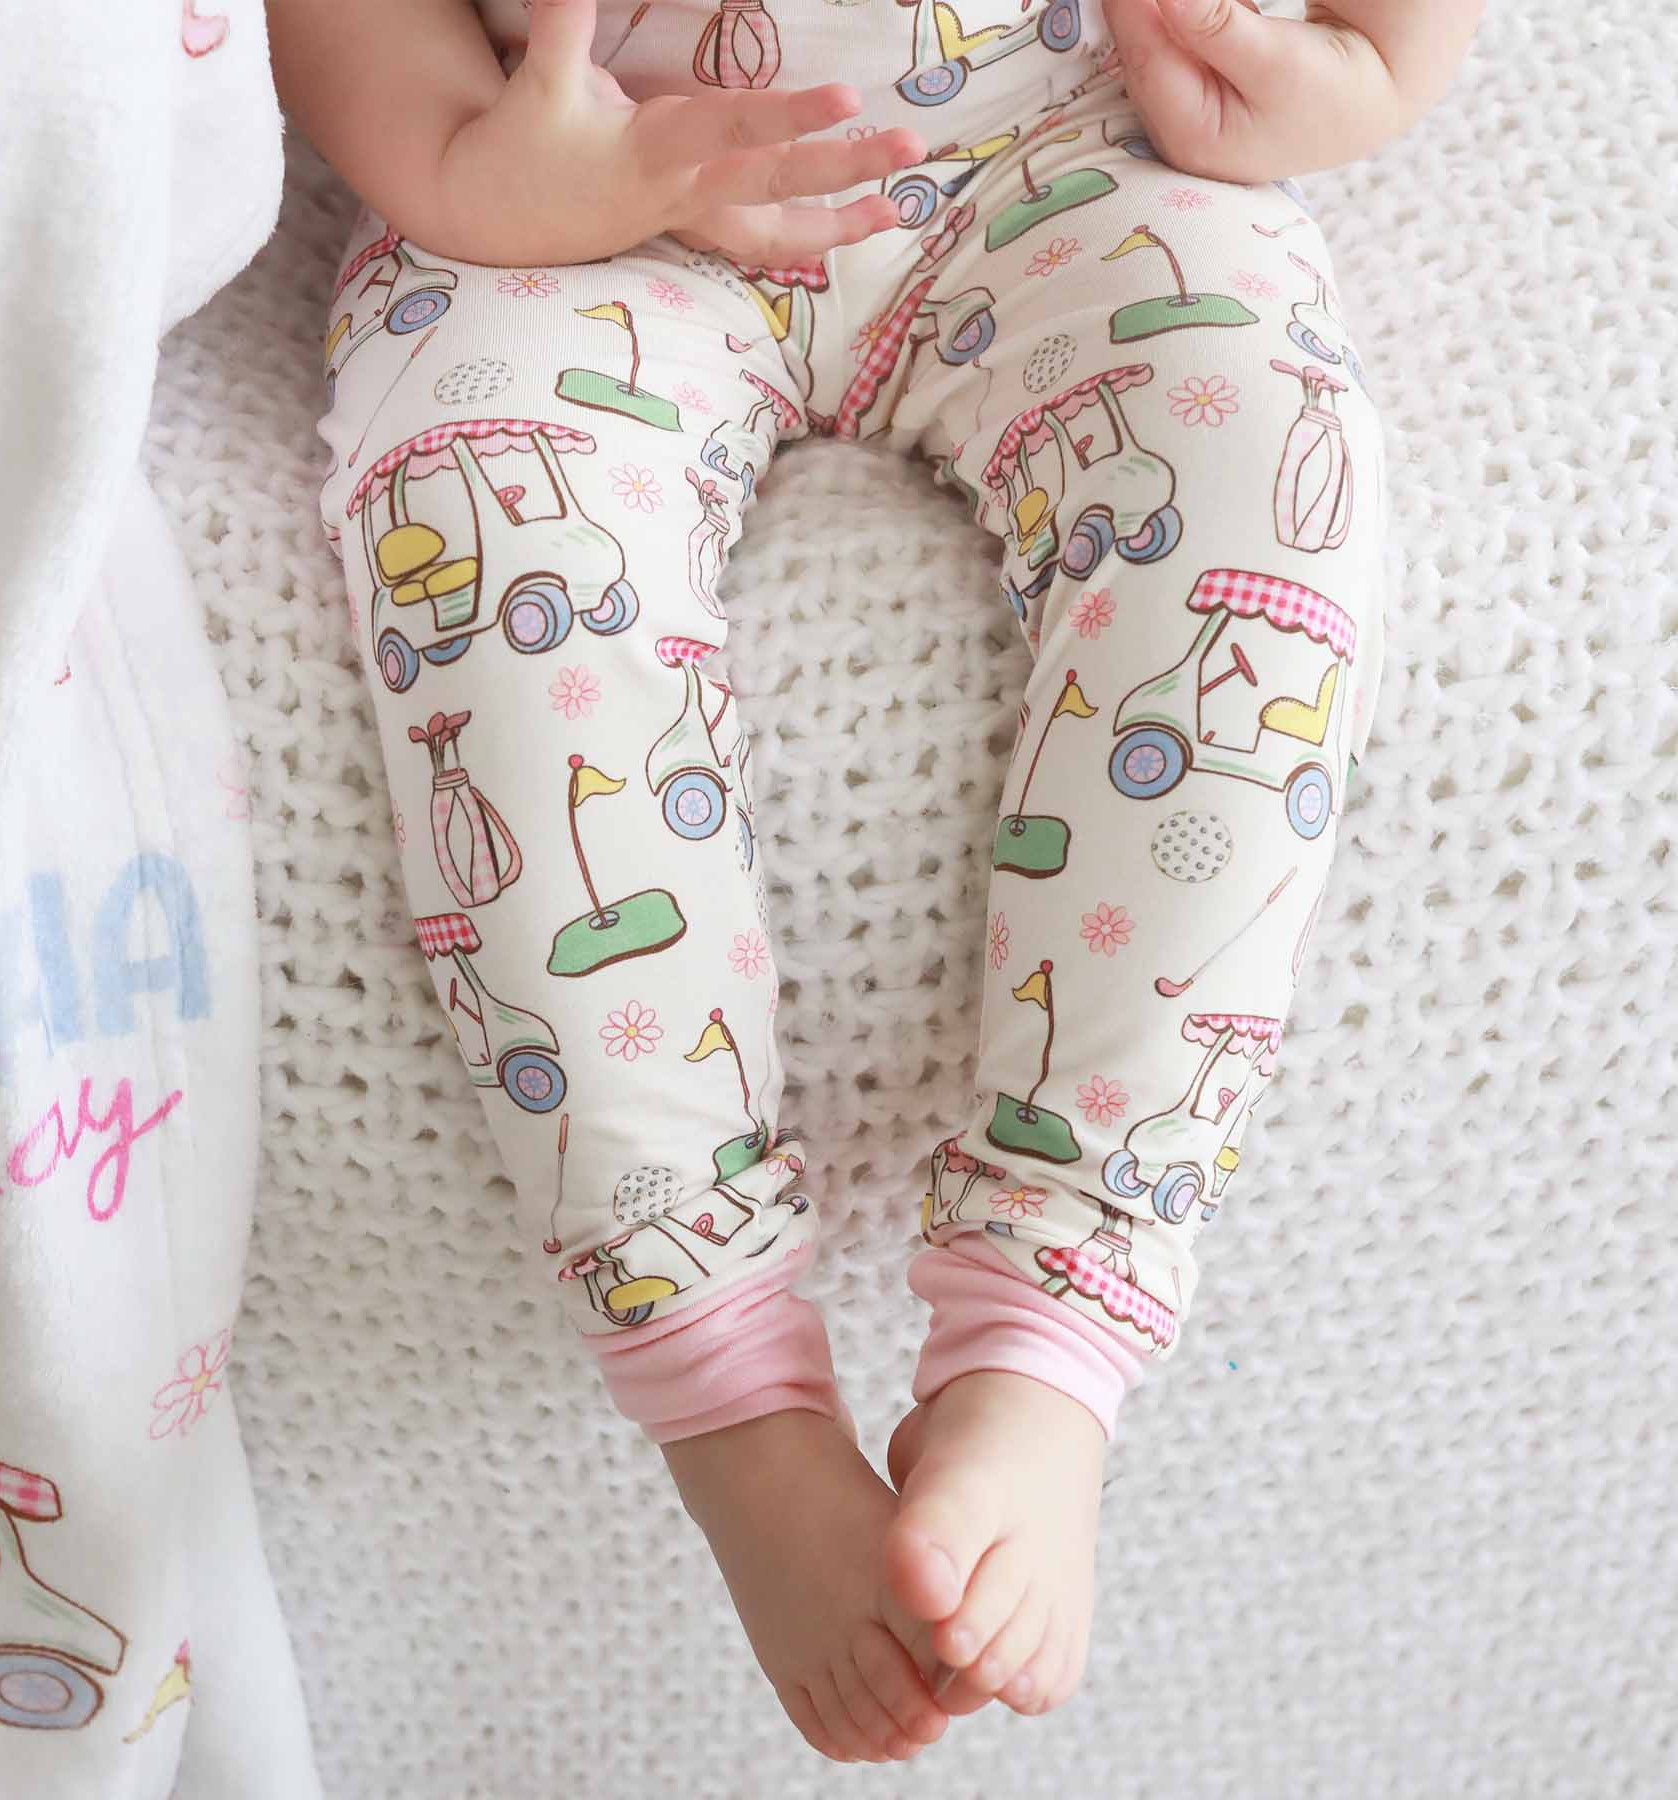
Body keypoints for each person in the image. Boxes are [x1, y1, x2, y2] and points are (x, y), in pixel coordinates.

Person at [270, 0, 1481, 1765]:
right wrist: (457, 152)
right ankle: (724, 1387)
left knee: (1260, 481)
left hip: (1063, 152)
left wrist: (1369, 63)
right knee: (483, 529)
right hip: (587, 186)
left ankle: (1053, 1321)